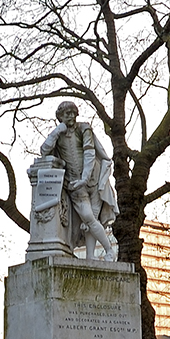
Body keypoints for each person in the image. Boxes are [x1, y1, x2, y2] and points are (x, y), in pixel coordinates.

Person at [38, 100, 119, 259]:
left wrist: (84, 178)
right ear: (60, 116)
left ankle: (90, 256)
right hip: (74, 184)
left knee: (92, 220)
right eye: (67, 114)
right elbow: (44, 151)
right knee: (88, 217)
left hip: (93, 179)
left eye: (73, 113)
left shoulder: (84, 128)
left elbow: (89, 153)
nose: (71, 116)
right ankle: (109, 250)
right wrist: (56, 132)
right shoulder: (58, 135)